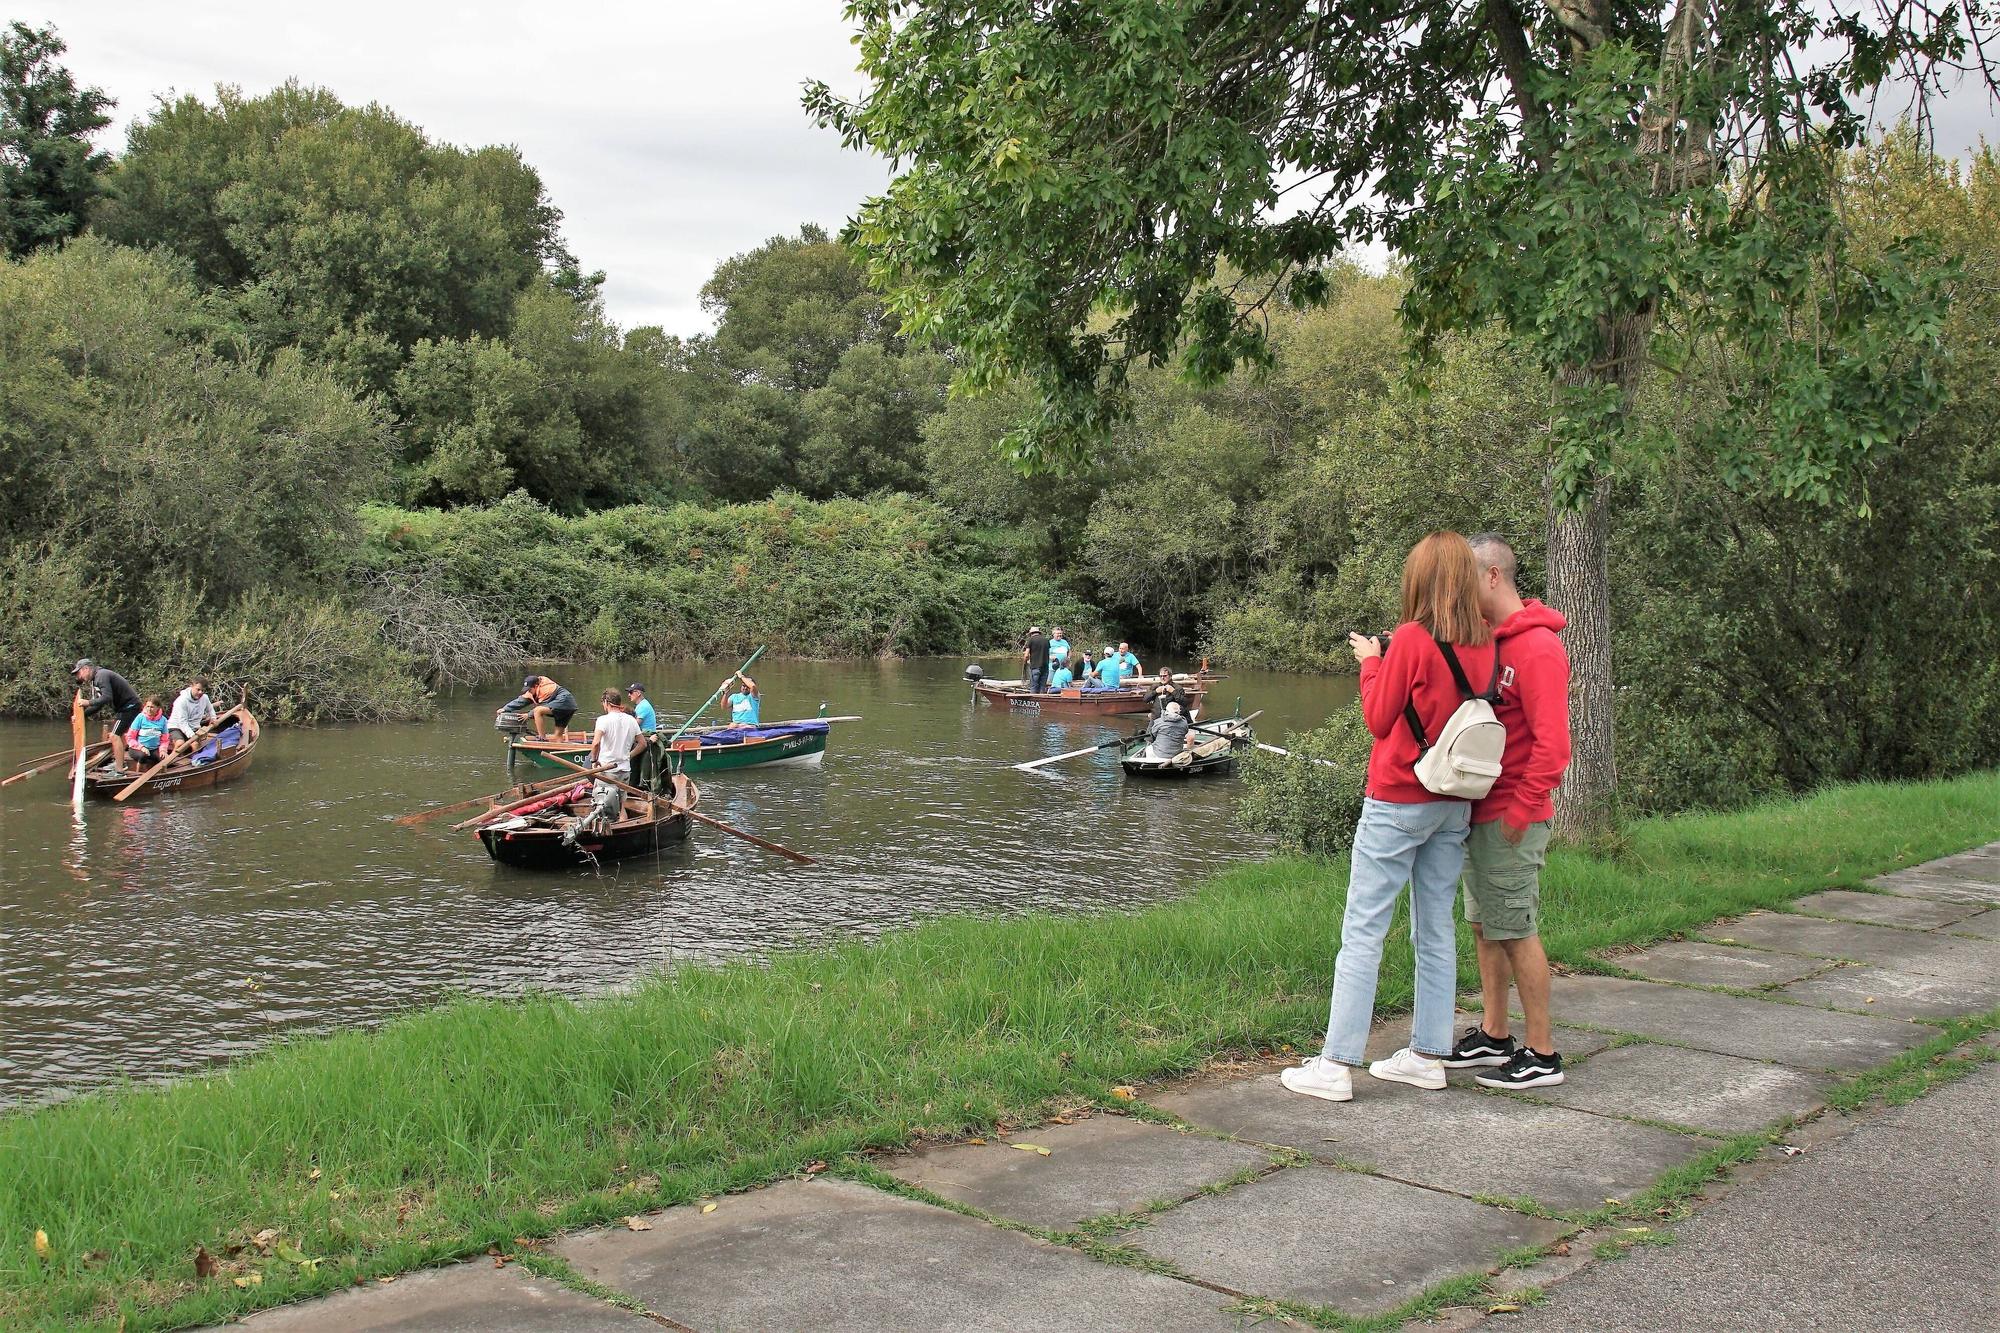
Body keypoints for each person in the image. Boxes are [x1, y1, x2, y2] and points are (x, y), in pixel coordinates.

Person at [1280, 532, 1499, 1104]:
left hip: (1399, 799)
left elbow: (1380, 719)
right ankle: (1428, 1055)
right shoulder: (1484, 641)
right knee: (1435, 928)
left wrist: (1372, 663)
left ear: (1420, 579)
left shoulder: (1408, 638)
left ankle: (1335, 1064)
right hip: (1453, 801)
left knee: (1364, 930)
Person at [1442, 533, 1573, 1090]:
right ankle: (1495, 1034)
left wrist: (1522, 811)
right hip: (1482, 809)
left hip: (1513, 813)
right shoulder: (1492, 642)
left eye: (1465, 581)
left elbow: (1553, 745)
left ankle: (1542, 1051)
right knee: (1485, 926)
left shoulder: (1538, 648)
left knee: (1516, 929)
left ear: (1492, 576)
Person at [586, 687, 647, 821]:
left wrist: (594, 761)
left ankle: (606, 833)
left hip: (607, 771)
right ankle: (623, 826)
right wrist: (628, 756)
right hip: (624, 771)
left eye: (603, 703)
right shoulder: (631, 720)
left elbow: (595, 743)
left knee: (600, 804)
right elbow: (643, 744)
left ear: (607, 702)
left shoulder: (603, 720)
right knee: (620, 805)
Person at [74, 659, 142, 774]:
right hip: (124, 708)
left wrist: (88, 702)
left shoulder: (101, 676)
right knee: (118, 736)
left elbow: (107, 698)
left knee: (114, 736)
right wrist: (81, 716)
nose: (79, 676)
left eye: (79, 672)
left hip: (130, 707)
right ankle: (120, 762)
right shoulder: (96, 680)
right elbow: (99, 704)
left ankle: (119, 770)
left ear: (86, 669)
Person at [502, 675, 578, 739]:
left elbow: (542, 707)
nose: (528, 691)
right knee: (558, 735)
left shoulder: (546, 689)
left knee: (538, 711)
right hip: (566, 708)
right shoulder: (533, 691)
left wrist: (528, 715)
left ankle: (542, 738)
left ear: (536, 686)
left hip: (564, 702)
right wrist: (504, 709)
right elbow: (520, 701)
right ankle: (560, 751)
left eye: (530, 689)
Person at [167, 677, 218, 753]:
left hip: (193, 727)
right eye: (198, 689)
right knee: (180, 744)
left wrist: (213, 718)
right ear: (192, 686)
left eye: (203, 690)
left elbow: (210, 709)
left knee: (195, 745)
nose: (200, 692)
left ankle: (195, 761)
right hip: (177, 727)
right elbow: (182, 722)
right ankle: (169, 761)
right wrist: (192, 736)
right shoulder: (181, 701)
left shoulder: (204, 698)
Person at [626, 683, 660, 789]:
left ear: (638, 693)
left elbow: (634, 726)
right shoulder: (641, 705)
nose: (629, 695)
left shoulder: (643, 706)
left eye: (631, 692)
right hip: (643, 737)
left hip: (647, 738)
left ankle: (633, 785)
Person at [125, 697, 171, 764]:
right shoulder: (140, 717)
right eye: (147, 706)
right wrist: (141, 747)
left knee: (164, 759)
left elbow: (165, 740)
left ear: (158, 708)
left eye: (152, 707)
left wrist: (163, 750)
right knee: (143, 756)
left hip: (155, 748)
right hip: (137, 748)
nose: (149, 709)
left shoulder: (163, 720)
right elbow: (130, 737)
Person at [1023, 625, 1050, 695]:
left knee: (1034, 685)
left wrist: (1026, 661)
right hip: (1045, 666)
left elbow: (1026, 655)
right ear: (1038, 632)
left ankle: (1033, 699)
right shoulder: (1046, 640)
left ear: (1031, 633)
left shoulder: (1030, 640)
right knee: (1042, 686)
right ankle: (1042, 699)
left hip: (1035, 666)